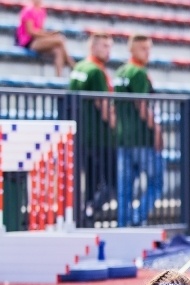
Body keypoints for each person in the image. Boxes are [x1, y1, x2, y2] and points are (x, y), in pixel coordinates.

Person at [114, 34, 164, 227]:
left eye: (149, 48)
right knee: (157, 183)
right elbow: (142, 106)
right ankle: (136, 218)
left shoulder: (120, 73)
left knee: (125, 189)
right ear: (131, 49)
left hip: (124, 139)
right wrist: (157, 131)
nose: (147, 52)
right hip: (142, 139)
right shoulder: (138, 73)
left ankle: (123, 225)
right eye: (143, 48)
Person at [69, 32, 116, 225]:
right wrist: (116, 128)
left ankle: (85, 215)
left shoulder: (79, 67)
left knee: (89, 182)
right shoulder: (96, 71)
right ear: (93, 46)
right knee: (111, 183)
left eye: (110, 46)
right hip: (99, 137)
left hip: (82, 135)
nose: (108, 50)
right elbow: (103, 104)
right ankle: (88, 212)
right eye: (104, 46)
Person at [16, 0, 75, 77]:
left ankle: (59, 77)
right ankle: (71, 64)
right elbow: (31, 32)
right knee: (60, 39)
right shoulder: (28, 11)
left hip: (37, 40)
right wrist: (49, 35)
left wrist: (50, 34)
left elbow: (40, 31)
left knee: (58, 50)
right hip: (29, 42)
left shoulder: (42, 11)